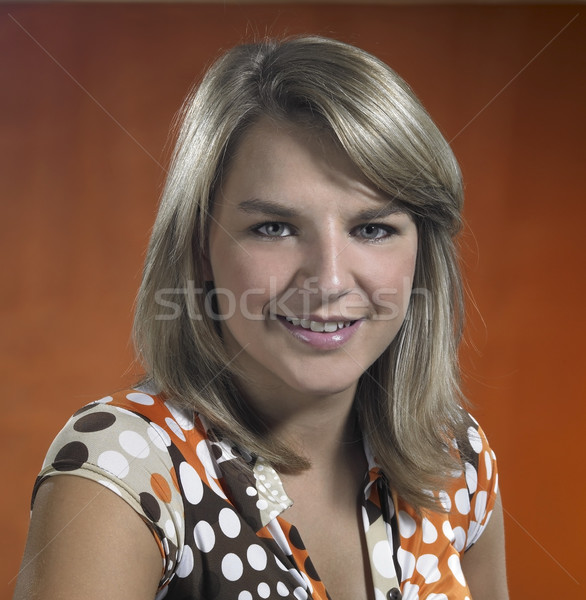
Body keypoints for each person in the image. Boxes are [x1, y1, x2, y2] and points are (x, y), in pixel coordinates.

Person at [13, 36, 508, 600]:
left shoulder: (455, 457)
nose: (329, 280)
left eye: (372, 228)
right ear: (201, 247)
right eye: (274, 227)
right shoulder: (124, 470)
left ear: (422, 253)